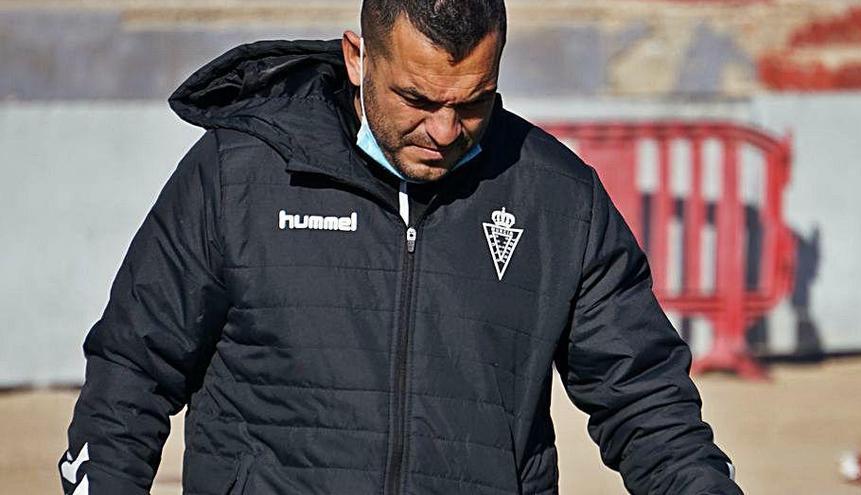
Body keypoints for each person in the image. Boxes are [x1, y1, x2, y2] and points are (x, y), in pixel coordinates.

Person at [59, 1, 742, 494]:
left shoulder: (557, 199)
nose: (444, 130)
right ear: (358, 57)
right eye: (415, 98)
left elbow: (646, 402)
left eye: (472, 103)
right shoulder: (236, 177)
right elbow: (132, 371)